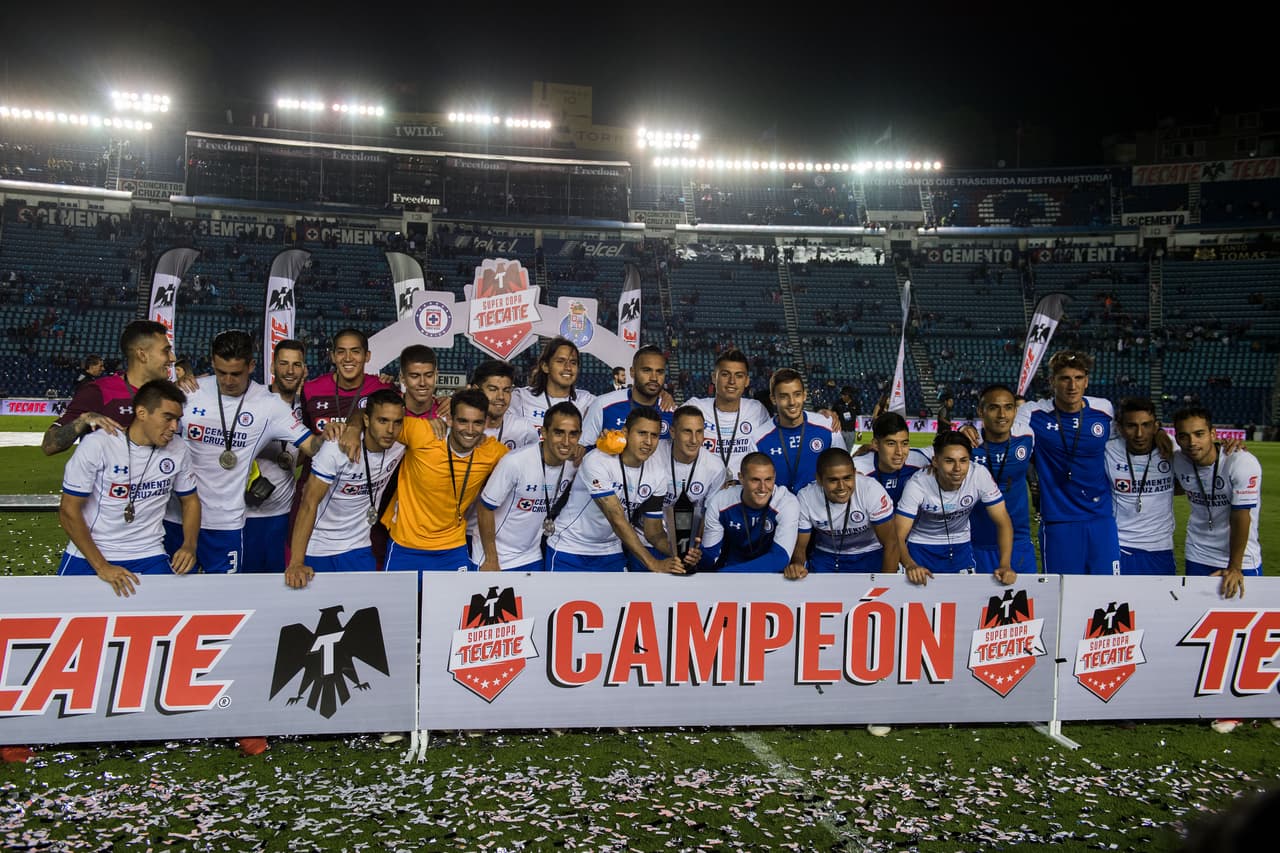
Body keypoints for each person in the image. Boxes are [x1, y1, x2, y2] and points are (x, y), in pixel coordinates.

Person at [161, 330, 324, 574]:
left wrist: (338, 435)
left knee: (226, 602)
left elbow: (311, 446)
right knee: (172, 599)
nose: (227, 380)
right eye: (220, 372)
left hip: (225, 524)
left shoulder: (269, 405)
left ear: (251, 365)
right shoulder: (188, 394)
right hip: (176, 518)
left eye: (235, 373)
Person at [57, 379, 199, 595]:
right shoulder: (99, 445)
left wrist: (189, 545)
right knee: (69, 622)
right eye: (168, 418)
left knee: (164, 619)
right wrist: (102, 567)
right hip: (91, 555)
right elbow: (68, 510)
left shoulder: (178, 449)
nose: (174, 427)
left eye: (178, 420)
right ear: (141, 413)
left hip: (149, 554)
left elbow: (190, 501)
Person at [1012, 350, 1119, 575]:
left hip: (1101, 518)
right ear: (1052, 382)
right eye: (1065, 378)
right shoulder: (1033, 413)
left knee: (1108, 591)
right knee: (1063, 593)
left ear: (1087, 381)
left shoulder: (1104, 410)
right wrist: (967, 428)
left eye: (1078, 378)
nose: (1072, 385)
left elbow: (1125, 442)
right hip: (1059, 521)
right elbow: (1003, 435)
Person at [286, 390, 406, 586]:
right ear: (367, 421)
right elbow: (308, 502)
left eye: (397, 422)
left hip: (359, 547)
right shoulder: (336, 448)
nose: (390, 429)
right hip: (320, 547)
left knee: (361, 612)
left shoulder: (400, 445)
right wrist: (297, 562)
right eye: (382, 421)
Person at [545, 407, 683, 573]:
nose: (648, 441)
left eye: (654, 435)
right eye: (641, 433)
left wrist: (680, 552)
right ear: (625, 432)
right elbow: (615, 516)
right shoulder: (597, 460)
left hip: (611, 550)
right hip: (570, 548)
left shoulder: (658, 473)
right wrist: (653, 563)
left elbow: (653, 532)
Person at [382, 389, 507, 572]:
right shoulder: (422, 433)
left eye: (477, 423)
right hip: (405, 544)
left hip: (452, 548)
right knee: (399, 602)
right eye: (463, 421)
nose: (470, 431)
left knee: (453, 601)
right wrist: (351, 428)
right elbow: (374, 417)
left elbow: (526, 465)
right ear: (450, 419)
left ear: (486, 423)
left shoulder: (493, 452)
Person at [895, 431, 1016, 585]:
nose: (957, 468)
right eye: (949, 461)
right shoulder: (918, 484)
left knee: (964, 605)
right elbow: (898, 535)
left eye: (964, 460)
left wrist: (1005, 565)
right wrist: (910, 565)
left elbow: (1003, 521)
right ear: (935, 462)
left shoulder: (979, 475)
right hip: (920, 545)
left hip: (960, 545)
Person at [474, 402, 582, 572]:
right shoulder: (515, 462)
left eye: (573, 434)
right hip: (496, 556)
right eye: (559, 433)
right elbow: (484, 507)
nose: (566, 442)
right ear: (544, 433)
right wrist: (491, 559)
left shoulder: (575, 464)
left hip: (531, 555)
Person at [43, 320, 174, 456]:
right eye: (166, 351)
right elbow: (49, 445)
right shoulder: (98, 391)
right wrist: (83, 420)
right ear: (142, 354)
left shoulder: (172, 393)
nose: (173, 358)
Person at [1172, 406, 1262, 599]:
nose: (1192, 442)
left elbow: (1241, 515)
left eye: (1199, 434)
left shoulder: (1240, 462)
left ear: (1213, 434)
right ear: (1177, 438)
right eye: (1184, 436)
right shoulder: (1178, 460)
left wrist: (1234, 567)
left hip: (1242, 559)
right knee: (1196, 616)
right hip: (1198, 554)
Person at [242, 339, 307, 573]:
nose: (290, 371)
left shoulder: (306, 405)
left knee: (278, 584)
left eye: (296, 365)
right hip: (245, 514)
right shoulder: (253, 400)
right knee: (244, 585)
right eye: (283, 364)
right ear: (272, 367)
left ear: (304, 369)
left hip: (282, 515)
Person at [785, 448, 897, 577]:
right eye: (833, 480)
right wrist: (798, 565)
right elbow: (800, 548)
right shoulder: (806, 497)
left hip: (870, 552)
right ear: (819, 479)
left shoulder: (871, 490)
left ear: (855, 474)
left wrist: (886, 585)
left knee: (869, 596)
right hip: (827, 554)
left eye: (847, 478)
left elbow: (891, 543)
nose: (842, 487)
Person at [967, 385, 1038, 575]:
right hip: (974, 542)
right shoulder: (967, 445)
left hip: (1018, 541)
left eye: (1008, 407)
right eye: (993, 408)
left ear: (1015, 411)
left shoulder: (1027, 436)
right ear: (981, 411)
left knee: (1023, 602)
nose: (1002, 414)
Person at [698, 452, 799, 573]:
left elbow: (779, 559)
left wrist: (725, 575)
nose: (762, 488)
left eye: (768, 479)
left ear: (775, 477)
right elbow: (710, 555)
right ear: (741, 478)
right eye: (755, 480)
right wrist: (697, 559)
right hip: (730, 568)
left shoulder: (786, 502)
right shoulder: (720, 501)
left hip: (767, 574)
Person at [1107, 398, 1176, 575]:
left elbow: (1206, 455)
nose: (1139, 433)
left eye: (1146, 425)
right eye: (1132, 426)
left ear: (1155, 426)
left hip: (1160, 547)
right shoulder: (1108, 450)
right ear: (1120, 427)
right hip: (1120, 545)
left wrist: (1232, 447)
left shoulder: (1172, 449)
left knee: (1158, 602)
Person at [750, 368, 845, 494]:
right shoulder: (758, 438)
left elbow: (844, 470)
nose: (792, 402)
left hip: (819, 509)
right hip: (780, 509)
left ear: (804, 395)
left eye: (797, 394)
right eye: (784, 396)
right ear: (773, 399)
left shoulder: (828, 426)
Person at [651, 405, 727, 559]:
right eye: (687, 431)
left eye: (699, 432)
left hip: (689, 543)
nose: (694, 440)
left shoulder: (715, 467)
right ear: (672, 432)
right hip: (649, 540)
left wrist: (696, 547)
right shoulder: (653, 454)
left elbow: (709, 514)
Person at [686, 349, 773, 483]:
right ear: (714, 377)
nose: (732, 381)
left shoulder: (757, 410)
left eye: (739, 376)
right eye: (725, 374)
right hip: (701, 488)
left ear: (747, 381)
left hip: (742, 491)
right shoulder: (696, 408)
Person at [299, 328, 393, 433]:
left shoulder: (383, 388)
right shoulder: (310, 390)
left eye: (355, 351)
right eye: (341, 352)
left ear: (367, 356)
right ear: (333, 357)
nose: (348, 358)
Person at [580, 345, 673, 445]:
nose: (654, 378)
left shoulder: (672, 413)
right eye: (647, 370)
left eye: (659, 372)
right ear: (632, 372)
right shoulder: (603, 405)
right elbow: (582, 449)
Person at [511, 336, 596, 438]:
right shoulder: (520, 398)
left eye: (573, 362)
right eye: (560, 361)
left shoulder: (588, 402)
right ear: (545, 366)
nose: (568, 367)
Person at [853, 412, 933, 505]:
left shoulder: (921, 461)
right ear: (875, 444)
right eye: (891, 443)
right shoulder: (857, 469)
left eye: (904, 443)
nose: (899, 452)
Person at [472, 359, 539, 450]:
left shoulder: (523, 429)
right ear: (475, 390)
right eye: (493, 389)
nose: (501, 397)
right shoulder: (459, 427)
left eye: (506, 390)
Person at [398, 344, 447, 421]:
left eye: (429, 375)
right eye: (415, 376)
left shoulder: (446, 411)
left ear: (436, 376)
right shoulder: (387, 409)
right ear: (402, 378)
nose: (422, 383)